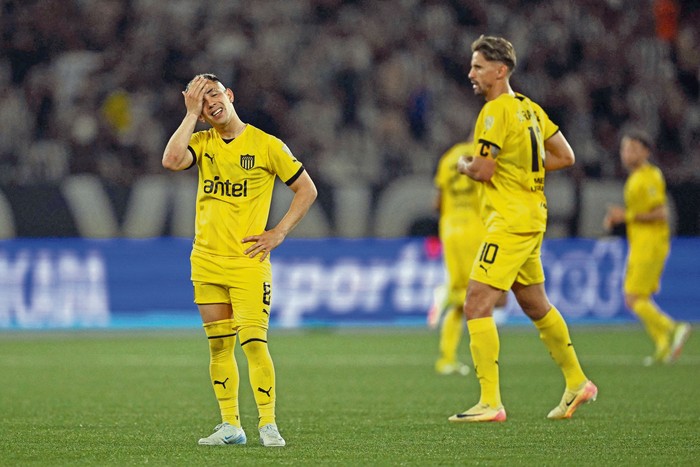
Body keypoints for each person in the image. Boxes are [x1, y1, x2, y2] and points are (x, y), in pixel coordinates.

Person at [162, 73, 317, 446]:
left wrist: (278, 233)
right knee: (218, 346)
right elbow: (170, 160)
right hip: (206, 260)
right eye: (203, 102)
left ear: (229, 95)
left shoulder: (266, 145)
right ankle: (231, 425)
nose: (212, 102)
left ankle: (268, 424)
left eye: (215, 94)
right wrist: (189, 115)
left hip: (248, 260)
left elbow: (306, 189)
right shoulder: (201, 141)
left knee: (254, 344)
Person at [449, 35, 597, 423]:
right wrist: (522, 167)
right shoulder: (530, 109)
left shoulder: (495, 111)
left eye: (478, 67)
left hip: (510, 219)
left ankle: (490, 401)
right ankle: (577, 381)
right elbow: (565, 156)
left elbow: (481, 170)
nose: (471, 74)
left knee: (476, 301)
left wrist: (464, 164)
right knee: (534, 303)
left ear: (500, 71)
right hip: (532, 214)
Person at [604, 130, 691, 365]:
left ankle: (673, 328)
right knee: (639, 297)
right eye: (624, 148)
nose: (627, 153)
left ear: (646, 152)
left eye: (633, 148)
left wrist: (625, 216)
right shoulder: (634, 178)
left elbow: (661, 212)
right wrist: (621, 218)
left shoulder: (651, 176)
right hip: (641, 243)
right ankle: (663, 345)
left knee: (631, 298)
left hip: (651, 243)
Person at [428, 136, 507, 376]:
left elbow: (437, 203)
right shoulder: (483, 157)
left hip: (450, 230)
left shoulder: (447, 157)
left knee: (465, 301)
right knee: (490, 294)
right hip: (475, 229)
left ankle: (447, 359)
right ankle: (448, 295)